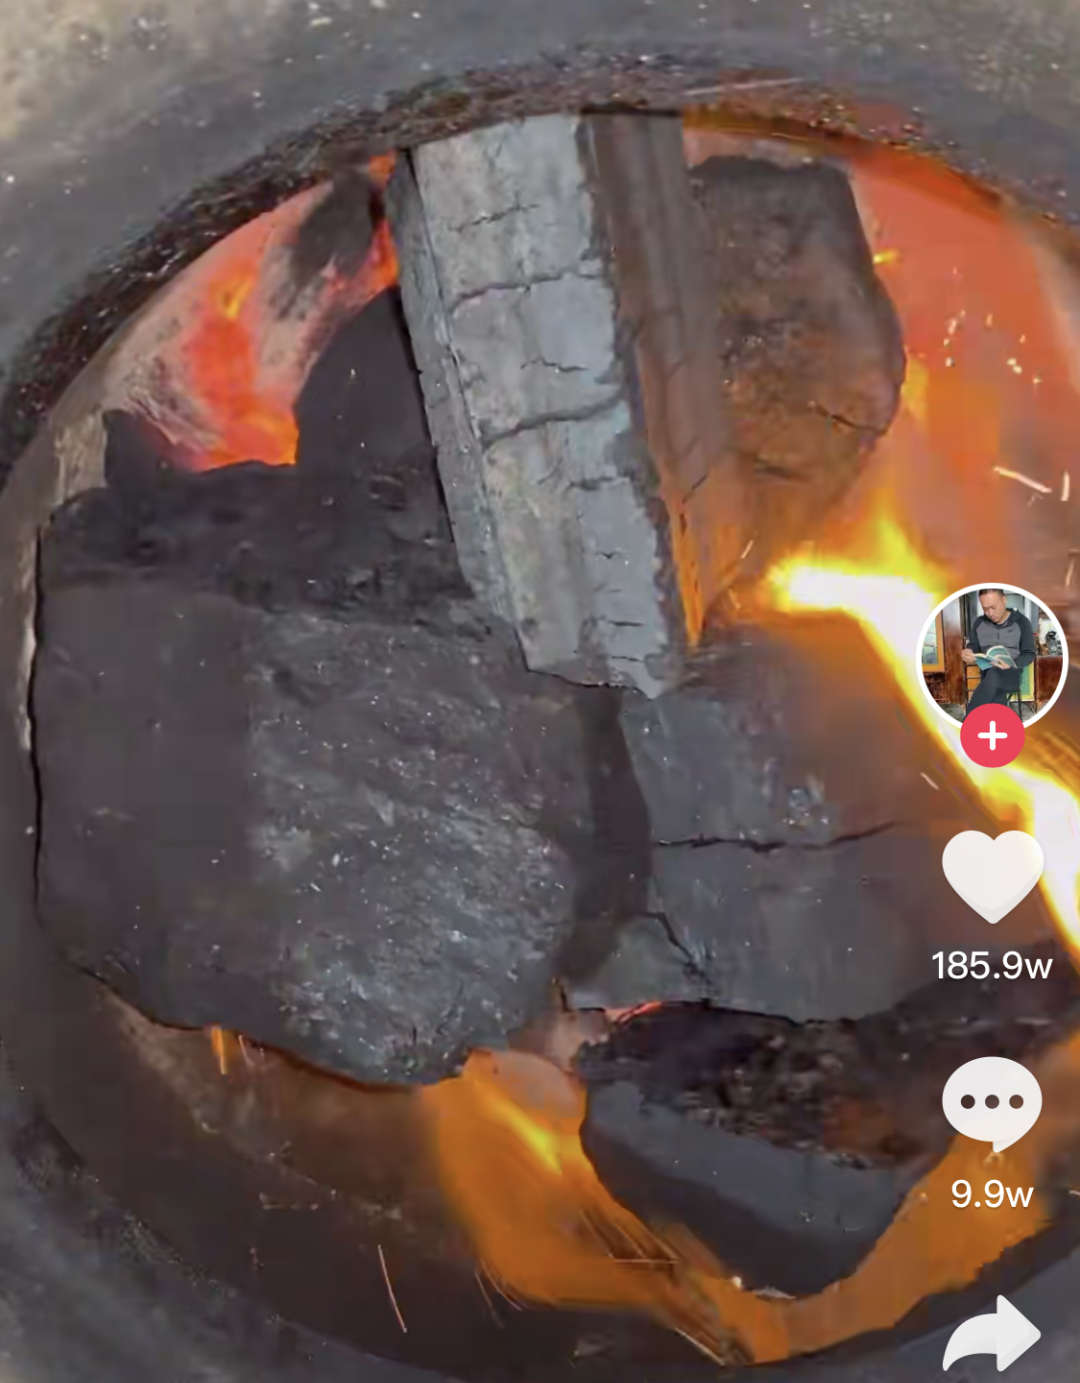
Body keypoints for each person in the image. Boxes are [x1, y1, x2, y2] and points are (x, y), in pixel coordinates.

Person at [961, 588, 1036, 715]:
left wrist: (1012, 663)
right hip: (987, 675)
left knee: (995, 675)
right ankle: (995, 721)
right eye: (985, 609)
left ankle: (969, 718)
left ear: (1004, 600)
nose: (990, 613)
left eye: (993, 607)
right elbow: (973, 646)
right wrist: (969, 651)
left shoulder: (1022, 622)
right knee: (994, 685)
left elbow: (1029, 654)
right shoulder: (979, 623)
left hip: (1011, 675)